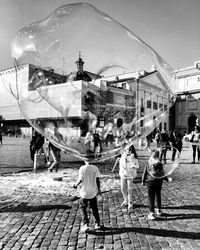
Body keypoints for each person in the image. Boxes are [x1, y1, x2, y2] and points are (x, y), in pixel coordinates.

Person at [73, 152, 103, 232]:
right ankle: (97, 224)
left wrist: (75, 185)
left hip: (84, 193)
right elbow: (97, 180)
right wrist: (99, 189)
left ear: (84, 159)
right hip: (93, 192)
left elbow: (80, 179)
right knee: (94, 208)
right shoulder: (95, 168)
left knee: (83, 208)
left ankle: (85, 224)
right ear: (92, 159)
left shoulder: (82, 168)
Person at [142, 149, 171, 220]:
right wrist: (167, 179)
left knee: (151, 198)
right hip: (159, 181)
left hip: (150, 182)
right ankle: (159, 210)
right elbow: (162, 174)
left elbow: (145, 172)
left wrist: (143, 181)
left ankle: (151, 213)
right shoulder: (160, 163)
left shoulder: (149, 163)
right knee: (158, 195)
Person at [119, 145, 139, 209]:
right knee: (122, 188)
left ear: (132, 150)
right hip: (123, 174)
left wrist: (134, 166)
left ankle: (130, 202)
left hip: (130, 174)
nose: (128, 151)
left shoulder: (134, 157)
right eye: (127, 149)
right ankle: (125, 200)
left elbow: (137, 166)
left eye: (130, 149)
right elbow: (121, 164)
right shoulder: (123, 156)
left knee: (129, 188)